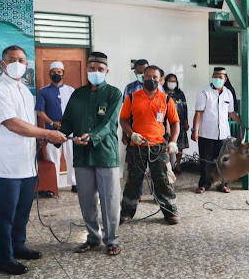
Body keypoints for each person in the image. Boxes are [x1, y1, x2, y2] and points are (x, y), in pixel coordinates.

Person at [0, 45, 67, 275]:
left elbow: (29, 122)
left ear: (27, 64)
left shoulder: (24, 90)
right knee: (6, 213)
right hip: (7, 163)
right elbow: (12, 123)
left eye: (21, 60)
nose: (17, 63)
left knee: (23, 210)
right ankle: (3, 257)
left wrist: (40, 140)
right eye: (12, 60)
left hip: (27, 162)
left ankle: (18, 246)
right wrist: (47, 133)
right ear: (2, 64)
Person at [59, 52, 124, 255]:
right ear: (86, 70)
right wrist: (55, 136)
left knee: (109, 198)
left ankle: (111, 239)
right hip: (82, 154)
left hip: (105, 154)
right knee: (86, 199)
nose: (95, 72)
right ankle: (93, 237)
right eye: (92, 68)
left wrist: (92, 136)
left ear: (107, 71)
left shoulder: (114, 94)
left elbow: (109, 123)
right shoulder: (78, 94)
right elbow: (67, 120)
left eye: (100, 69)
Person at [120, 65, 181, 225]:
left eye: (155, 77)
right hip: (137, 145)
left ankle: (170, 211)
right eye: (147, 76)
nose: (151, 79)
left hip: (159, 146)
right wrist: (131, 133)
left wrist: (173, 141)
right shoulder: (132, 97)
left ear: (160, 79)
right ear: (142, 78)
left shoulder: (166, 99)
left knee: (162, 180)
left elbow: (175, 122)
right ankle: (126, 212)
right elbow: (123, 119)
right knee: (133, 180)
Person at [192, 67, 242, 194]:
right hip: (206, 133)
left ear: (225, 79)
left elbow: (231, 112)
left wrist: (242, 123)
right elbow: (198, 112)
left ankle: (222, 184)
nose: (217, 79)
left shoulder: (228, 93)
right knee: (205, 160)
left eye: (220, 77)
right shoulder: (204, 92)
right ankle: (204, 184)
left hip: (224, 134)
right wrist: (195, 130)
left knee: (223, 161)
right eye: (215, 77)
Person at [35, 61, 77, 193]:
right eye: (53, 72)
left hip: (70, 131)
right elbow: (40, 112)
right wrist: (52, 122)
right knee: (53, 159)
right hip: (51, 131)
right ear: (49, 74)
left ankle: (75, 184)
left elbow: (76, 110)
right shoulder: (43, 91)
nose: (56, 74)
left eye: (59, 72)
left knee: (72, 157)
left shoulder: (71, 91)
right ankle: (52, 187)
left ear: (63, 73)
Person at [165, 73, 189, 173]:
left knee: (180, 145)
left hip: (180, 122)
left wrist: (186, 121)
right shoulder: (163, 93)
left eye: (174, 81)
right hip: (166, 123)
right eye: (170, 81)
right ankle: (168, 166)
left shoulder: (180, 93)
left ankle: (178, 165)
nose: (172, 83)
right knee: (167, 144)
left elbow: (185, 107)